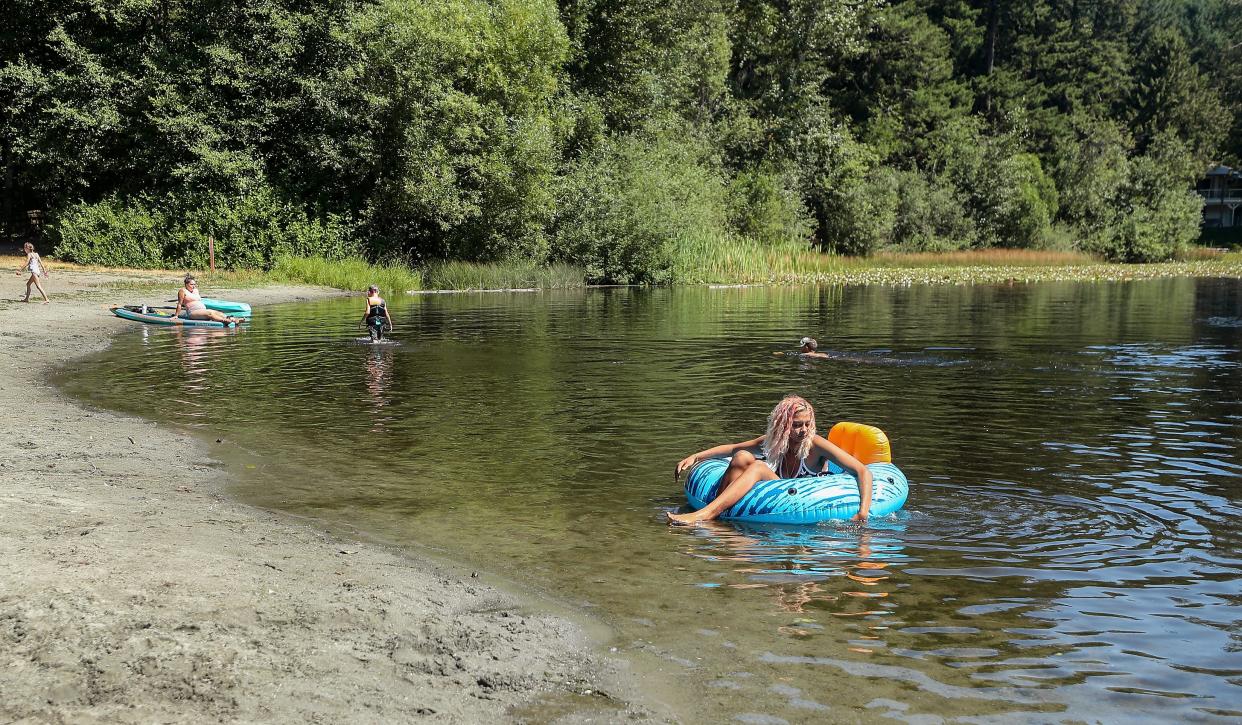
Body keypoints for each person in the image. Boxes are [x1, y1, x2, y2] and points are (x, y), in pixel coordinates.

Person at [668, 395, 873, 525]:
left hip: (804, 501)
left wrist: (863, 512)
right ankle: (720, 515)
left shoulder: (815, 445)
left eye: (807, 424)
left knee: (758, 466)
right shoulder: (774, 441)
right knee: (741, 457)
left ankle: (705, 514)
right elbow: (732, 449)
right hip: (778, 493)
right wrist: (696, 456)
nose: (803, 430)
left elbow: (862, 471)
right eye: (796, 425)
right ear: (783, 425)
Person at [171, 275, 245, 326]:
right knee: (210, 313)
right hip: (192, 312)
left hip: (202, 310)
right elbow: (180, 304)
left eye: (194, 284)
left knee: (217, 312)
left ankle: (234, 319)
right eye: (192, 284)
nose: (194, 286)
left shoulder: (196, 290)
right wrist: (176, 315)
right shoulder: (182, 291)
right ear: (186, 284)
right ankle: (224, 321)